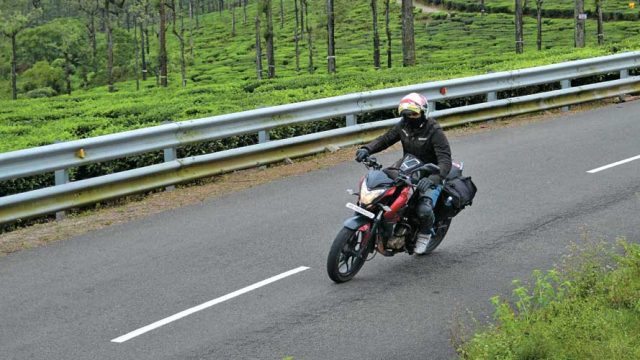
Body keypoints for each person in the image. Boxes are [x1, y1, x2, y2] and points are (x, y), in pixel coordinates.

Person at [355, 92, 452, 255]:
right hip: (408, 167)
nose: (410, 118)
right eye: (406, 114)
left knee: (423, 209)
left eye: (414, 114)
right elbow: (385, 139)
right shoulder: (403, 126)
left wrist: (434, 178)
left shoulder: (434, 130)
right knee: (383, 190)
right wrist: (367, 149)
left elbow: (445, 161)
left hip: (431, 172)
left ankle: (425, 234)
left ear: (423, 112)